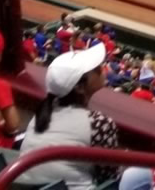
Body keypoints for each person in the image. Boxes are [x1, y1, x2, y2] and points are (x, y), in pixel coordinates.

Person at [15, 42, 114, 190]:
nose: (102, 70)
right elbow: (109, 177)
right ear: (80, 88)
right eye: (96, 69)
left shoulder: (41, 114)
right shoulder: (100, 123)